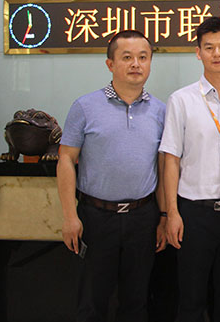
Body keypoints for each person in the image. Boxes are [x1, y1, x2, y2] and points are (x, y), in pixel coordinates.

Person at [57, 29, 167, 322]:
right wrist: (69, 216)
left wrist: (164, 216)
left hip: (143, 218)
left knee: (136, 302)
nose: (136, 64)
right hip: (95, 217)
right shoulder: (85, 106)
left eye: (143, 57)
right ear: (110, 64)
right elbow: (66, 159)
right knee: (91, 303)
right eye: (127, 57)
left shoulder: (160, 111)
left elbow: (162, 168)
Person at [160, 17, 220, 322]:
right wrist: (171, 213)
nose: (217, 53)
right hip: (194, 214)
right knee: (190, 300)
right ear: (198, 53)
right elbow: (171, 159)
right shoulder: (181, 100)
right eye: (209, 47)